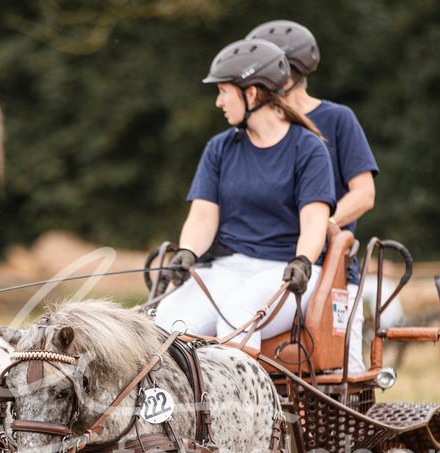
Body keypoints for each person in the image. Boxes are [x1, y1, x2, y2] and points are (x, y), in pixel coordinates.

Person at [154, 38, 335, 350]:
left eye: (223, 91)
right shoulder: (219, 148)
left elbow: (315, 221)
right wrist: (188, 251)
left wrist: (303, 259)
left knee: (237, 314)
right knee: (166, 320)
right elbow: (201, 216)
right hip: (229, 267)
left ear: (251, 93)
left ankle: (237, 399)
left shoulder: (308, 149)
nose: (218, 102)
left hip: (286, 274)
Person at [247, 20, 379, 372]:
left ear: (287, 76)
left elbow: (364, 194)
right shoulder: (257, 129)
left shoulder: (337, 120)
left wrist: (323, 225)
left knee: (343, 372)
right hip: (269, 268)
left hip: (329, 273)